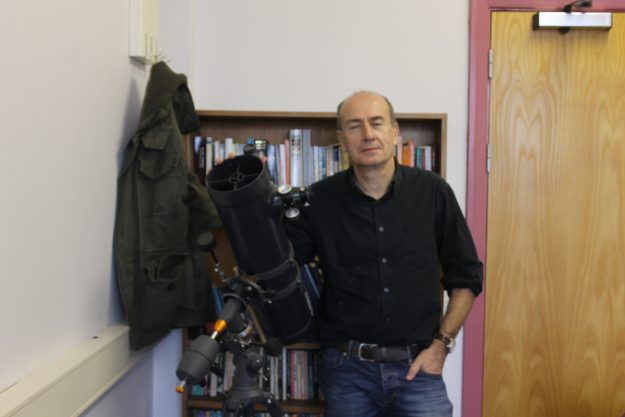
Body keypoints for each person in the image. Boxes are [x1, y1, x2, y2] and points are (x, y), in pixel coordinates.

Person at [283, 91, 483, 417]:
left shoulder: (433, 192)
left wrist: (441, 346)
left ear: (394, 131)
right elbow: (286, 264)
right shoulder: (318, 199)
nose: (367, 134)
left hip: (419, 367)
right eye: (354, 126)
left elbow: (467, 278)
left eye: (376, 123)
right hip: (347, 371)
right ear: (341, 139)